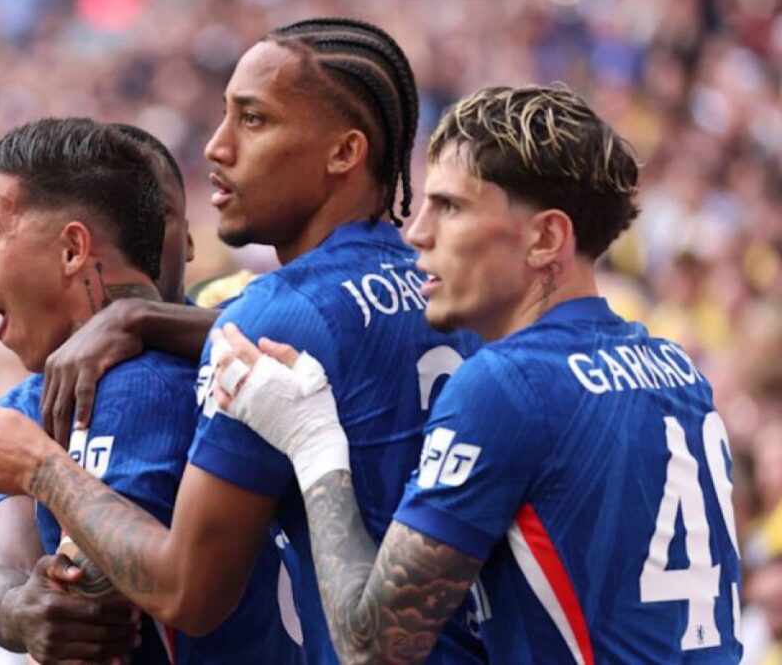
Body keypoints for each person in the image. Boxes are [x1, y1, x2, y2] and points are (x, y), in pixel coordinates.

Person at [0, 18, 485, 664]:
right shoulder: (451, 294)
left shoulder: (266, 317)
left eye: (253, 121)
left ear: (344, 152)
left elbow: (188, 590)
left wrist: (42, 467)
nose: (215, 147)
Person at [211, 84, 744, 663]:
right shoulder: (675, 367)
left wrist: (310, 438)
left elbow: (373, 647)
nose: (416, 233)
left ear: (545, 238)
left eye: (451, 208)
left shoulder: (508, 384)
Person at [0, 117, 302, 664]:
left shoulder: (205, 358)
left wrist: (42, 469)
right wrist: (23, 609)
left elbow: (156, 595)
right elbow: (3, 572)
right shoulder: (20, 410)